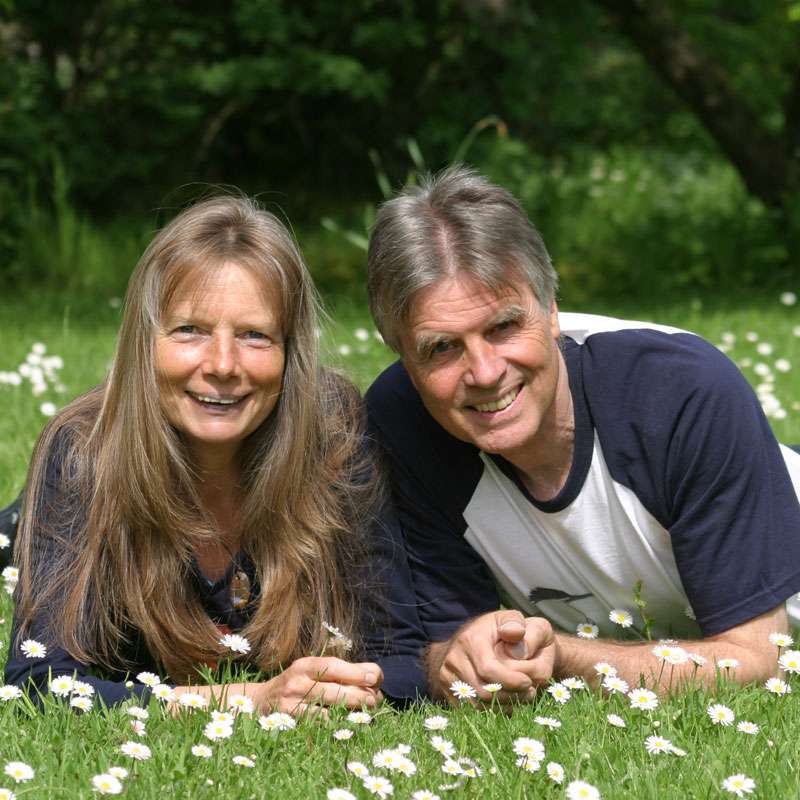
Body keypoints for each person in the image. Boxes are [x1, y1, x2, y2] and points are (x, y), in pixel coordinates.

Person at [365, 165, 800, 707]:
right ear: (403, 357)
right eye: (441, 348)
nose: (483, 371)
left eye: (503, 327)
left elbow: (756, 657)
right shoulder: (400, 422)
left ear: (551, 312)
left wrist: (563, 657)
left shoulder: (679, 390)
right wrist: (462, 658)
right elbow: (437, 646)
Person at [5, 195, 427, 710]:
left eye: (254, 335)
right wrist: (248, 699)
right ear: (145, 344)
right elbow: (37, 683)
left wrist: (346, 688)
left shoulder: (336, 439)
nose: (223, 364)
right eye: (190, 330)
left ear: (290, 354)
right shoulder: (79, 451)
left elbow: (403, 654)